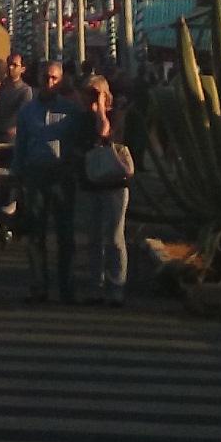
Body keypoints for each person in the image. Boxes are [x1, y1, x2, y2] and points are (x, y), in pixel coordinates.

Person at [68, 73, 136, 305]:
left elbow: (104, 132)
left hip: (115, 185)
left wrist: (100, 110)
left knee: (115, 237)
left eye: (96, 93)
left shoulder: (116, 114)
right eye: (89, 93)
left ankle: (116, 285)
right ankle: (95, 285)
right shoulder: (81, 119)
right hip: (91, 183)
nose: (92, 98)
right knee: (94, 238)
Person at [11, 62, 74, 302]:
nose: (49, 82)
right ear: (38, 79)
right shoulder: (27, 112)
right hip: (35, 175)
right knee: (36, 233)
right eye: (46, 78)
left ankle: (67, 289)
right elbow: (21, 145)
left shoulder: (71, 111)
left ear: (61, 80)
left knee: (65, 235)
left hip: (62, 176)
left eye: (54, 78)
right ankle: (39, 287)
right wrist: (17, 176)